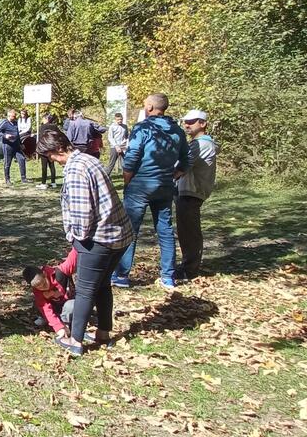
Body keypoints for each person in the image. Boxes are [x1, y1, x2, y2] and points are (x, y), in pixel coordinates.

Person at [36, 128, 134, 356]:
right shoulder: (89, 160)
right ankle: (103, 333)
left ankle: (76, 341)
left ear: (58, 148)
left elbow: (82, 215)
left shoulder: (75, 170)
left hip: (99, 239)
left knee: (85, 290)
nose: (51, 160)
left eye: (50, 155)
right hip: (120, 235)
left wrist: (76, 239)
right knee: (102, 285)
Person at [112, 94, 190, 290]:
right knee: (165, 230)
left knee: (130, 230)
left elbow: (131, 158)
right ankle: (168, 276)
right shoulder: (177, 130)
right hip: (165, 186)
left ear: (150, 107)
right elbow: (186, 160)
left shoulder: (143, 128)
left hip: (140, 185)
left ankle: (121, 275)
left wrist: (128, 180)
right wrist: (172, 176)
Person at [175, 109, 217, 280]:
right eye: (185, 121)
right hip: (187, 191)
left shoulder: (202, 144)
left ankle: (190, 269)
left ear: (203, 123)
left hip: (192, 192)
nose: (187, 125)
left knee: (190, 232)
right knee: (186, 231)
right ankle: (188, 265)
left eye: (192, 122)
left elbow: (182, 166)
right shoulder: (196, 143)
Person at [22, 247, 78, 340]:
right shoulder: (37, 290)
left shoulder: (60, 273)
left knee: (71, 305)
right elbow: (45, 307)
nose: (43, 288)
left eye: (44, 283)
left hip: (67, 305)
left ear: (44, 274)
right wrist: (58, 327)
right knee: (38, 304)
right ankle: (52, 321)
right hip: (54, 308)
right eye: (39, 287)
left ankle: (66, 324)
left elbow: (72, 260)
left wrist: (77, 245)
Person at [0, 109, 27, 185]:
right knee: (7, 163)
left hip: (16, 145)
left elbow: (17, 134)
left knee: (22, 159)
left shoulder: (15, 123)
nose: (15, 117)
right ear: (9, 116)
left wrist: (20, 144)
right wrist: (5, 135)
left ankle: (23, 178)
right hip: (8, 146)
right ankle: (7, 179)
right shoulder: (5, 123)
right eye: (13, 116)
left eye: (15, 116)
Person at [37, 113, 60, 189]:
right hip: (52, 148)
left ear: (46, 119)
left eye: (43, 119)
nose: (42, 120)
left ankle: (43, 183)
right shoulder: (55, 127)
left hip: (44, 148)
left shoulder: (42, 127)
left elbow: (41, 137)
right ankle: (53, 183)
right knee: (52, 165)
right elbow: (58, 136)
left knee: (44, 166)